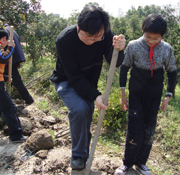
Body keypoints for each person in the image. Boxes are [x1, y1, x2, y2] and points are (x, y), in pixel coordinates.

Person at [50, 4, 126, 171]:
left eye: (96, 38)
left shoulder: (104, 34)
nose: (92, 42)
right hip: (66, 81)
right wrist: (96, 95)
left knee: (86, 118)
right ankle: (77, 155)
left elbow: (116, 62)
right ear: (78, 27)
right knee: (80, 109)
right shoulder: (64, 40)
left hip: (88, 83)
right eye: (87, 37)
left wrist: (119, 49)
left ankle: (83, 157)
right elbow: (74, 77)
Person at [115, 14, 177, 175]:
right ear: (143, 31)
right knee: (134, 130)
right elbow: (124, 68)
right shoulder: (134, 46)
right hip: (136, 94)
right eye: (148, 36)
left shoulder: (166, 49)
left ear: (162, 36)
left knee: (149, 130)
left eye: (156, 38)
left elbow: (172, 72)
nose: (151, 40)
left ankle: (141, 163)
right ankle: (127, 163)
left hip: (154, 96)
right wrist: (123, 94)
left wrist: (167, 96)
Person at [0, 15, 34, 106]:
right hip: (14, 57)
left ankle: (28, 99)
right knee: (12, 79)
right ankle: (14, 97)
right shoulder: (10, 29)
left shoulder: (4, 31)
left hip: (10, 58)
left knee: (14, 80)